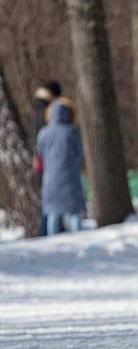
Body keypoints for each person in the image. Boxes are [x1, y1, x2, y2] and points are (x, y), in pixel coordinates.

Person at [35, 98, 85, 235]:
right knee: (74, 212)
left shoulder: (43, 133)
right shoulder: (71, 132)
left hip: (50, 178)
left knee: (52, 213)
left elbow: (40, 154)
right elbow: (79, 152)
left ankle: (52, 245)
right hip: (70, 177)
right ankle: (79, 240)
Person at [31, 80, 62, 235]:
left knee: (46, 195)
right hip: (46, 158)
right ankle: (45, 230)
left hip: (39, 157)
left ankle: (45, 229)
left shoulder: (36, 105)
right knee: (48, 196)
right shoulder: (45, 109)